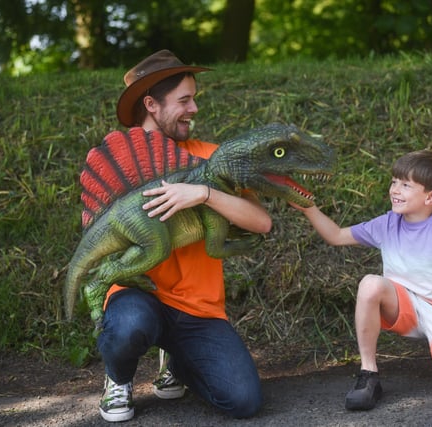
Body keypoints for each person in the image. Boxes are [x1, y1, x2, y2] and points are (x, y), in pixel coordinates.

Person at [94, 50, 272, 422]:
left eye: (194, 99)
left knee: (244, 401)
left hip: (198, 307)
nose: (193, 109)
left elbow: (261, 222)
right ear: (151, 105)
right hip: (137, 295)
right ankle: (118, 380)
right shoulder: (122, 162)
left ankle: (180, 362)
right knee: (130, 325)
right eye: (184, 100)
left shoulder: (212, 156)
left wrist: (205, 193)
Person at [290, 149, 432, 410]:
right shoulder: (388, 223)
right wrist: (308, 207)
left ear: (431, 197)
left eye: (406, 185)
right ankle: (368, 375)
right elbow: (336, 235)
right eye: (394, 181)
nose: (395, 189)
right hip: (405, 307)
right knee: (370, 284)